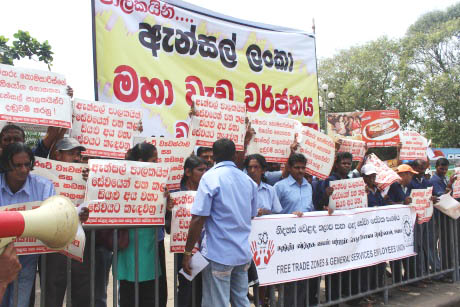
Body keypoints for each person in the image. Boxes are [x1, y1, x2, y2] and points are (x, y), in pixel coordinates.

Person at [182, 138, 258, 307]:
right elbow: (251, 215)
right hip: (242, 253)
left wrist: (187, 253)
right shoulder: (248, 181)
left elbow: (198, 218)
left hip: (219, 253)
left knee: (217, 303)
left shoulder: (210, 178)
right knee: (241, 300)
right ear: (234, 155)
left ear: (214, 156)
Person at [0, 142, 55, 307]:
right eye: (17, 165)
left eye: (27, 164)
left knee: (19, 303)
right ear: (6, 166)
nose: (23, 169)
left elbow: (53, 215)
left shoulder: (43, 186)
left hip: (27, 258)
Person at [43, 138, 90, 307]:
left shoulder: (86, 176)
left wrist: (91, 183)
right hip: (54, 240)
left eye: (78, 154)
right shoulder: (45, 176)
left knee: (82, 288)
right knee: (53, 288)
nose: (76, 158)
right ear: (57, 155)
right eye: (71, 153)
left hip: (80, 240)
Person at [117, 142, 167, 307]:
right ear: (140, 161)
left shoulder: (157, 184)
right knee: (129, 292)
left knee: (150, 294)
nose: (157, 165)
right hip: (128, 242)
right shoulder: (121, 180)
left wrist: (168, 203)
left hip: (150, 244)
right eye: (154, 161)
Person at [273, 153, 318, 305]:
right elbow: (273, 212)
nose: (300, 171)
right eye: (297, 167)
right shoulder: (280, 187)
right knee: (289, 280)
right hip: (287, 240)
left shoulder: (309, 186)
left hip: (306, 239)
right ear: (289, 168)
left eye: (303, 168)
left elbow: (310, 209)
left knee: (304, 276)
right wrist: (289, 217)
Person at [175, 155, 207, 307]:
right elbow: (169, 227)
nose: (204, 173)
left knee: (202, 289)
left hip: (205, 248)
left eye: (206, 170)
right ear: (188, 172)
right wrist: (170, 210)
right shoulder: (176, 194)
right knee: (186, 288)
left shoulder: (207, 191)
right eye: (200, 170)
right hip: (183, 248)